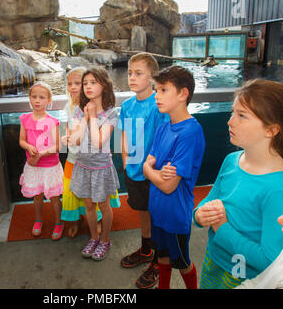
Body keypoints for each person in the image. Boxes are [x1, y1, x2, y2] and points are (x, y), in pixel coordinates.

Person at [193, 79, 283, 289]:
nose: (230, 121)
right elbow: (212, 198)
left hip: (243, 277)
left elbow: (269, 258)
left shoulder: (280, 189)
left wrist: (221, 228)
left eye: (242, 115)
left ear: (271, 130)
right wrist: (199, 214)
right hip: (214, 258)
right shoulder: (231, 160)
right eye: (233, 112)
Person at [143, 65, 205, 289]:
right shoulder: (164, 127)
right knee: (162, 257)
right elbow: (148, 163)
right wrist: (152, 170)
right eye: (156, 90)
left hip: (175, 215)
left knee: (182, 261)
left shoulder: (190, 132)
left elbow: (168, 186)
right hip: (158, 209)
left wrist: (150, 170)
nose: (156, 96)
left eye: (163, 90)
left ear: (183, 93)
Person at [118, 53, 170, 289]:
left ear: (152, 77)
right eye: (130, 72)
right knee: (142, 210)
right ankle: (147, 248)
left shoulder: (158, 105)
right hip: (133, 170)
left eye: (138, 73)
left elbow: (163, 138)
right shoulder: (127, 106)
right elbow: (125, 134)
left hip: (153, 171)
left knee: (158, 215)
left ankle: (160, 260)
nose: (132, 77)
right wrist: (126, 161)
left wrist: (153, 167)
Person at [69, 67, 120, 261]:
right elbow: (74, 141)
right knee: (89, 204)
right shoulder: (78, 110)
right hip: (82, 164)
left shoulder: (111, 113)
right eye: (85, 83)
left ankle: (105, 240)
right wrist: (84, 117)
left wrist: (91, 117)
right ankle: (94, 237)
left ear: (104, 85)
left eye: (93, 82)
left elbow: (99, 141)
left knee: (103, 204)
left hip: (100, 166)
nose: (88, 87)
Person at [19, 82, 64, 240]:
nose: (37, 100)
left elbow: (58, 146)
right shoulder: (24, 119)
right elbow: (21, 141)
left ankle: (59, 222)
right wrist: (29, 147)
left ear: (48, 100)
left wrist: (41, 154)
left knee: (53, 197)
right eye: (34, 97)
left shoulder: (52, 121)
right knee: (36, 195)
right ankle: (38, 220)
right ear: (29, 99)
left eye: (42, 97)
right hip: (33, 166)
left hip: (50, 166)